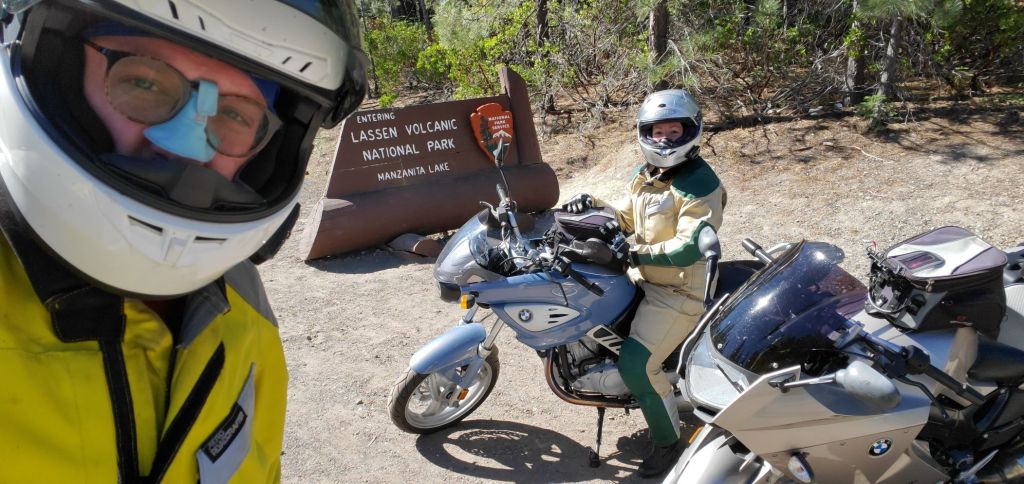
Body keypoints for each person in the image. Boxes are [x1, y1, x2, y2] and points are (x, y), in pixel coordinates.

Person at [0, 1, 365, 481]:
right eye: (145, 83)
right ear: (56, 71)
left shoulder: (243, 307)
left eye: (234, 114)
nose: (184, 147)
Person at [563, 89, 726, 478]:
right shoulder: (646, 174)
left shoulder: (701, 183)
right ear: (645, 133)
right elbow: (626, 218)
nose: (665, 140)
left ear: (691, 131)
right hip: (642, 277)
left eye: (674, 131)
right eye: (657, 132)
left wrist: (629, 256)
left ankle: (669, 442)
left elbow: (687, 247)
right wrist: (592, 205)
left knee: (636, 364)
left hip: (678, 291)